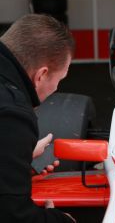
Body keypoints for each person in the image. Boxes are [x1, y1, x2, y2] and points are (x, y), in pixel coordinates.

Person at [0, 14, 75, 222]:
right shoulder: (12, 113)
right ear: (41, 75)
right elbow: (12, 215)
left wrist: (17, 158)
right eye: (60, 79)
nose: (57, 87)